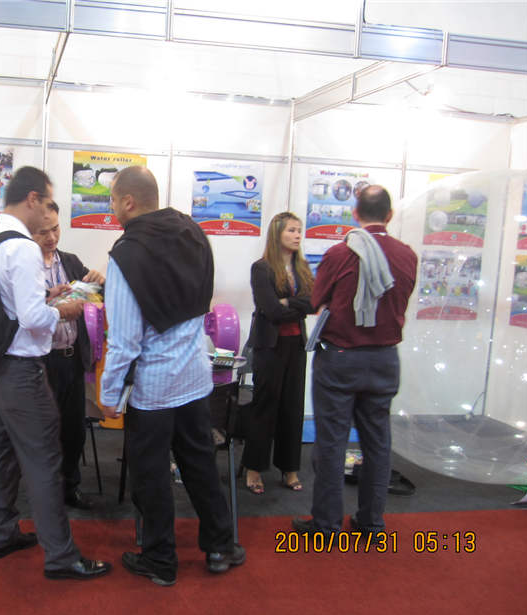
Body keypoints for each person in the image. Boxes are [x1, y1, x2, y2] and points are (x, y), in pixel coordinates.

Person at [100, 165, 244, 587]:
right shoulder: (192, 232)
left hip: (155, 386)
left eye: (112, 200)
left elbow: (125, 340)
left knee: (151, 475)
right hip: (194, 375)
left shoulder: (126, 254)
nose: (111, 208)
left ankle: (160, 559)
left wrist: (110, 392)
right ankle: (221, 545)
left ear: (129, 202)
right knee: (200, 463)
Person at [0, 165, 111, 581]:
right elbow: (33, 318)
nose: (49, 220)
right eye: (47, 202)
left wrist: (45, 296)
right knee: (44, 457)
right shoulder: (23, 247)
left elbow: (9, 302)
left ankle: (2, 532)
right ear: (32, 198)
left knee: (0, 450)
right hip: (21, 367)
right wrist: (64, 310)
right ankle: (61, 555)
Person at [293, 185, 417, 538]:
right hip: (385, 359)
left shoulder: (339, 253)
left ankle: (327, 524)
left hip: (341, 359)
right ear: (389, 215)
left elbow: (317, 300)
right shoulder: (407, 255)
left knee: (332, 443)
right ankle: (372, 522)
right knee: (378, 444)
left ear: (355, 213)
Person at [32, 201, 105, 510]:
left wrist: (99, 282)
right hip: (40, 362)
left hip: (72, 359)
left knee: (74, 429)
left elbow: (96, 297)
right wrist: (55, 307)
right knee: (42, 431)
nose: (51, 237)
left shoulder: (71, 262)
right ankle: (44, 494)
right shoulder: (26, 268)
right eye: (42, 232)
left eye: (55, 229)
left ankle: (69, 487)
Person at [238, 212, 314, 495]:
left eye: (299, 230)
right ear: (277, 233)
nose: (297, 235)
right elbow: (271, 310)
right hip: (269, 347)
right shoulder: (262, 268)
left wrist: (288, 302)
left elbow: (313, 302)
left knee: (292, 408)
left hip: (296, 346)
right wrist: (296, 305)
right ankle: (254, 468)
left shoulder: (302, 267)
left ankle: (289, 468)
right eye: (291, 230)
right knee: (265, 407)